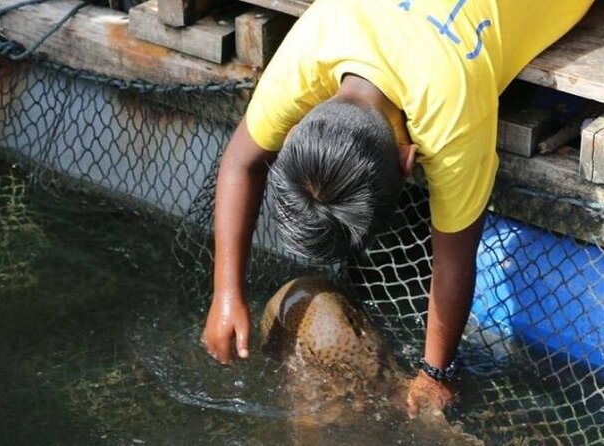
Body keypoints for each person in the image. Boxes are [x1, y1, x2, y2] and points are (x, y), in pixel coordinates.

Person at [202, 0, 595, 415]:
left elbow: (454, 264)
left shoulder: (450, 112)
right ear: (297, 128)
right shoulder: (312, 46)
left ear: (410, 161)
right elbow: (240, 162)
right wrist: (226, 294)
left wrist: (435, 374)